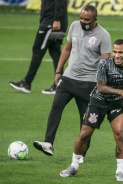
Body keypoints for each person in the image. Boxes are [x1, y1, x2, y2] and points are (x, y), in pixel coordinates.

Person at [59, 39, 123, 181]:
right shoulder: (104, 63)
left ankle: (119, 171)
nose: (117, 55)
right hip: (98, 101)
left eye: (120, 52)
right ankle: (74, 166)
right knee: (84, 134)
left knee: (120, 134)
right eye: (115, 52)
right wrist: (122, 92)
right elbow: (101, 87)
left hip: (116, 104)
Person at [33, 4, 111, 163]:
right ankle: (48, 142)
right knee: (56, 107)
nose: (83, 21)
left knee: (86, 121)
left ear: (95, 19)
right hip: (68, 78)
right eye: (81, 18)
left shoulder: (103, 35)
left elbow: (105, 63)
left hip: (88, 83)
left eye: (87, 19)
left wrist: (99, 86)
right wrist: (58, 70)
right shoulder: (75, 26)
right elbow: (67, 49)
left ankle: (81, 153)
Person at [9, 0, 68, 94]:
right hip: (53, 21)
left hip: (51, 22)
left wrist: (56, 19)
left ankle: (27, 83)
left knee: (38, 51)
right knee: (55, 52)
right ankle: (58, 85)